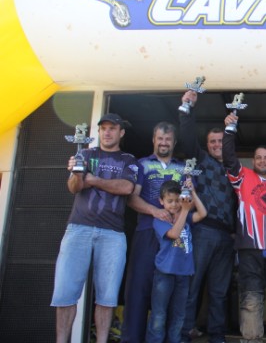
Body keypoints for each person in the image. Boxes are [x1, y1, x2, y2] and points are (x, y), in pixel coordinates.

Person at [51, 113, 138, 343]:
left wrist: (93, 180)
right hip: (78, 228)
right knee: (65, 294)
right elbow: (74, 187)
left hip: (113, 233)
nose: (107, 132)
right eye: (103, 128)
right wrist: (77, 173)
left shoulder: (129, 159)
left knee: (107, 297)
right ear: (98, 132)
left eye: (112, 128)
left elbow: (126, 187)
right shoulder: (85, 154)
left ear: (121, 132)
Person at [222, 113, 266, 343]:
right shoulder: (243, 177)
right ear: (253, 160)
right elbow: (228, 158)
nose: (263, 161)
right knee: (251, 300)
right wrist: (229, 130)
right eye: (259, 158)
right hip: (249, 249)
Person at [179, 90, 237, 343]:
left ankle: (217, 336)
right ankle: (183, 334)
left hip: (226, 237)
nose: (216, 145)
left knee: (219, 291)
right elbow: (187, 136)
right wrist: (187, 109)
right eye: (212, 141)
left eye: (220, 141)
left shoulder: (234, 168)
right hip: (202, 231)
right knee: (192, 286)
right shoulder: (201, 160)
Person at [122, 122, 185, 343]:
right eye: (160, 138)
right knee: (138, 288)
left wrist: (179, 217)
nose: (164, 143)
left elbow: (190, 200)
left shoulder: (184, 168)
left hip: (175, 235)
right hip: (147, 231)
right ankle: (132, 339)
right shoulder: (141, 164)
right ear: (153, 140)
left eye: (168, 139)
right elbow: (131, 198)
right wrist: (155, 211)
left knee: (173, 292)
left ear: (174, 142)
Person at [146, 179, 208, 343]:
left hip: (184, 273)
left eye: (177, 200)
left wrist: (192, 192)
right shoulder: (160, 220)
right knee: (159, 313)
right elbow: (173, 234)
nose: (174, 205)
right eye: (169, 201)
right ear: (161, 201)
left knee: (179, 314)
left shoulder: (185, 216)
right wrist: (185, 210)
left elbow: (203, 213)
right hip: (165, 272)